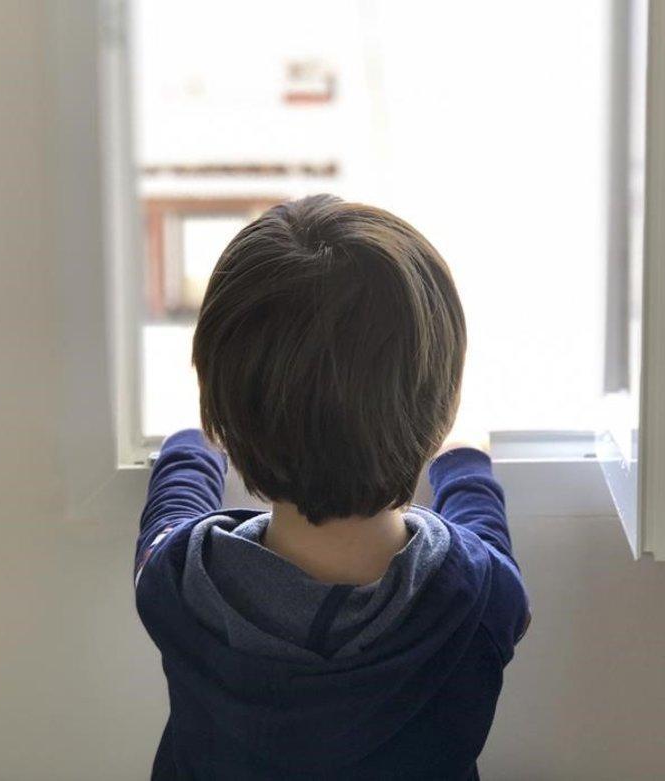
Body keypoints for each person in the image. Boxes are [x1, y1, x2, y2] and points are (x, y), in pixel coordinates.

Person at [133, 194, 530, 780]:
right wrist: (464, 461)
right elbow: (484, 535)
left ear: (225, 410)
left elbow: (168, 512)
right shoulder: (482, 596)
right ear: (439, 409)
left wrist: (194, 441)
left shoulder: (178, 584)